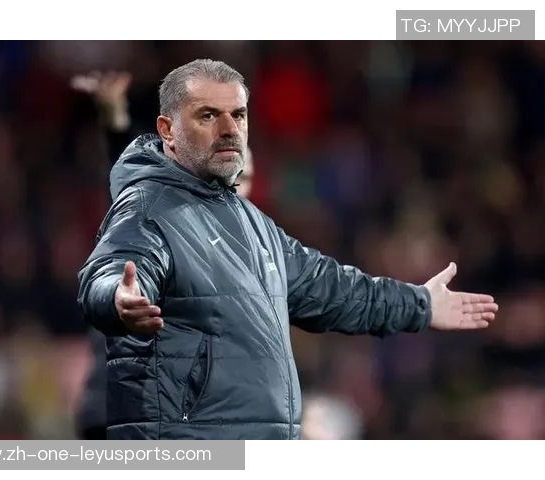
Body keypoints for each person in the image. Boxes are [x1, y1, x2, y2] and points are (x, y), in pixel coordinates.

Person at [76, 59, 498, 440]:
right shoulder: (150, 206)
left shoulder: (255, 225)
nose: (229, 128)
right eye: (208, 115)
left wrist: (421, 303)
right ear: (167, 130)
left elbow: (334, 290)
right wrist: (117, 297)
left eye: (238, 114)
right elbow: (111, 270)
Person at [71, 70, 255, 439]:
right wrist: (115, 122)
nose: (234, 183)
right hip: (123, 411)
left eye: (243, 176)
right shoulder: (158, 212)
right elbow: (129, 178)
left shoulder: (250, 255)